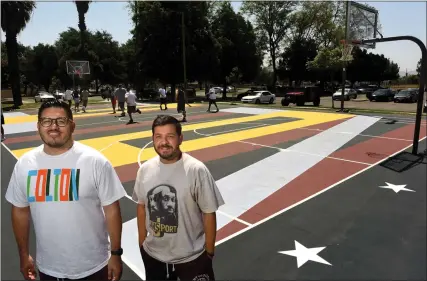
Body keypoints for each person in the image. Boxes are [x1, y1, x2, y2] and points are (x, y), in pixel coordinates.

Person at [5, 100, 126, 280]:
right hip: (49, 268)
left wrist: (116, 254)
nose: (53, 127)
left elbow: (112, 210)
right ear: (38, 126)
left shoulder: (95, 162)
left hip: (95, 266)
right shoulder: (24, 164)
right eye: (47, 121)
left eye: (61, 121)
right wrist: (24, 255)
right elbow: (20, 212)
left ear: (72, 125)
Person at [132, 115, 224, 281]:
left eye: (170, 136)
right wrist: (142, 242)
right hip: (153, 256)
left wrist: (209, 252)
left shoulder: (196, 170)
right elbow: (141, 206)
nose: (164, 142)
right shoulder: (144, 170)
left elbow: (209, 212)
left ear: (180, 138)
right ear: (152, 139)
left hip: (192, 258)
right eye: (158, 137)